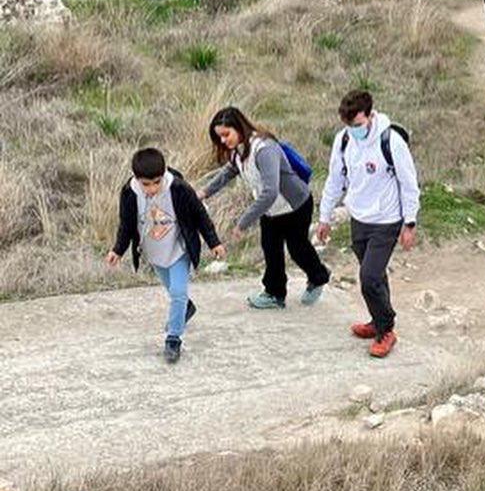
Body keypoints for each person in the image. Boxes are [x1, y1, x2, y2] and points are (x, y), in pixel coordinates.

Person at [317, 90, 420, 359]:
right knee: (374, 274)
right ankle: (377, 320)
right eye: (349, 126)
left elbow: (409, 184)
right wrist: (324, 217)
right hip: (358, 218)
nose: (354, 131)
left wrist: (410, 223)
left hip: (387, 220)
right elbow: (334, 180)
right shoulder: (343, 141)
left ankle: (386, 330)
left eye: (359, 125)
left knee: (369, 278)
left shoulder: (391, 141)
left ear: (371, 116)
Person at [199, 107, 331, 309]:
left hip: (295, 205)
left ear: (239, 127)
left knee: (298, 248)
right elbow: (228, 172)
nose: (224, 141)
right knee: (271, 249)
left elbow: (270, 191)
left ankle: (319, 276)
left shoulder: (264, 149)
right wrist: (204, 193)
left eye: (226, 135)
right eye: (220, 138)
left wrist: (242, 223)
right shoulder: (239, 150)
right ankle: (274, 294)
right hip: (270, 209)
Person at [106, 147, 225, 363]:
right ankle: (186, 308)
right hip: (154, 251)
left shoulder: (179, 188)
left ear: (163, 175)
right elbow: (126, 225)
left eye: (156, 182)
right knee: (174, 292)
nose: (152, 188)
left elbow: (200, 215)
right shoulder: (129, 193)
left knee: (178, 293)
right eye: (146, 184)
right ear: (136, 178)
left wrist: (214, 242)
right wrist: (118, 249)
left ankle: (173, 339)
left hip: (178, 249)